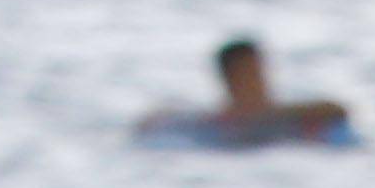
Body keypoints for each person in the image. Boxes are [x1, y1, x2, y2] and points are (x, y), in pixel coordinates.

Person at [133, 38, 354, 148]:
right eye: (251, 72)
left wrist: (264, 113)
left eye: (259, 71)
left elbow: (338, 109)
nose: (259, 79)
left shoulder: (288, 115)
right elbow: (148, 124)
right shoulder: (212, 121)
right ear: (230, 77)